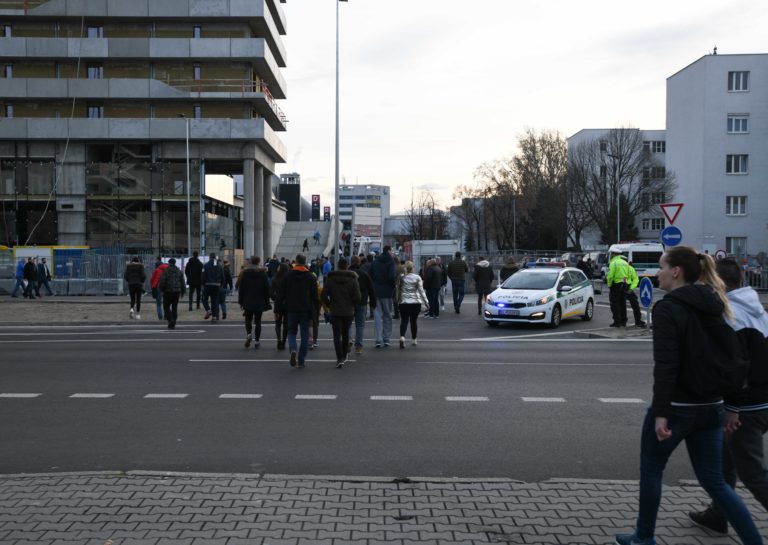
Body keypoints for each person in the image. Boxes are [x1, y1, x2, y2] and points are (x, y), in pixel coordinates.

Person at [615, 246, 763, 545]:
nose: (656, 273)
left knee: (652, 471)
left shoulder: (668, 308)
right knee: (716, 482)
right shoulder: (716, 302)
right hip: (712, 408)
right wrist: (731, 408)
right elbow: (731, 356)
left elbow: (667, 365)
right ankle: (754, 541)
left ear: (675, 271)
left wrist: (660, 412)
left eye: (660, 267)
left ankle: (644, 538)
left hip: (678, 406)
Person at [687, 258, 768, 536]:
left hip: (747, 406)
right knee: (725, 460)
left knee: (751, 471)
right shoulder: (757, 310)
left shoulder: (730, 316)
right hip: (760, 400)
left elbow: (737, 369)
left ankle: (719, 514)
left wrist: (733, 407)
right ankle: (718, 514)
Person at [277, 254, 320, 369]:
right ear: (305, 262)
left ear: (296, 261)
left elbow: (281, 293)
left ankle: (293, 349)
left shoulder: (288, 275)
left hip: (291, 308)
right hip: (306, 309)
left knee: (291, 332)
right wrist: (317, 309)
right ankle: (301, 360)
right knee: (305, 334)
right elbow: (315, 296)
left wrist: (277, 309)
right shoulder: (310, 276)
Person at [322, 258, 361, 368]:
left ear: (338, 266)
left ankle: (339, 358)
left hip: (335, 310)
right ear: (347, 266)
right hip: (348, 311)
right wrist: (352, 304)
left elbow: (324, 295)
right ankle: (344, 355)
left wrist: (330, 304)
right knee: (345, 334)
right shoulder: (353, 279)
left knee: (336, 335)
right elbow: (358, 297)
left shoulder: (331, 278)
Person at [238, 256, 271, 348]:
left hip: (248, 300)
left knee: (248, 319)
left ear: (251, 262)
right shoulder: (263, 274)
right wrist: (267, 301)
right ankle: (257, 341)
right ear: (259, 262)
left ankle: (249, 334)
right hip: (259, 301)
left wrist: (241, 301)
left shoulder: (245, 273)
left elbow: (242, 288)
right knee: (258, 321)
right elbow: (266, 289)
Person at [369, 245, 396, 348]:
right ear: (389, 251)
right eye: (392, 250)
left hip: (376, 291)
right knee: (388, 315)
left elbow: (369, 275)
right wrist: (393, 287)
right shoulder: (391, 262)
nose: (392, 253)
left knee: (377, 315)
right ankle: (386, 338)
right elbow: (391, 276)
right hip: (387, 292)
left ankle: (378, 339)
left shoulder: (375, 261)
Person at [397, 261, 429, 348]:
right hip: (415, 302)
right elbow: (421, 291)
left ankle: (402, 337)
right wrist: (427, 303)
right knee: (413, 321)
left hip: (403, 302)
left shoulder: (401, 278)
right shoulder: (417, 277)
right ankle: (414, 339)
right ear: (413, 268)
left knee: (404, 321)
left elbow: (398, 290)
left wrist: (398, 301)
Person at [348, 256, 376, 355]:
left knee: (347, 323)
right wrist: (373, 303)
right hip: (362, 301)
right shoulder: (364, 274)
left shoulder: (346, 274)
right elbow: (371, 289)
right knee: (360, 325)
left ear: (350, 262)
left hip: (348, 302)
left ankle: (348, 340)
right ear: (359, 263)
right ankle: (358, 346)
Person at [159, 257, 185, 329]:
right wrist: (183, 291)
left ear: (169, 263)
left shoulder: (166, 271)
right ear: (175, 263)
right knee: (174, 306)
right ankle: (173, 321)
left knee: (166, 306)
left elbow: (162, 281)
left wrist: (162, 289)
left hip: (168, 291)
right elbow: (182, 282)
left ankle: (171, 319)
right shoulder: (178, 271)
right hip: (177, 291)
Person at [607, 249, 631, 327]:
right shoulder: (625, 263)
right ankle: (624, 321)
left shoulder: (613, 263)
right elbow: (628, 274)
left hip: (616, 285)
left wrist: (609, 285)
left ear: (613, 254)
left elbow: (610, 276)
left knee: (614, 304)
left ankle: (617, 322)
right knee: (622, 303)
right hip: (624, 285)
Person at [270, 262, 289, 349]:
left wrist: (276, 298)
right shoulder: (289, 278)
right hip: (287, 303)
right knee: (286, 324)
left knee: (278, 323)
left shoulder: (275, 278)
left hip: (278, 303)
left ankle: (279, 340)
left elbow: (270, 293)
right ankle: (284, 341)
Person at [623, 257, 647, 328]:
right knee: (623, 306)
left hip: (627, 287)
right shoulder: (627, 268)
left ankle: (638, 321)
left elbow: (636, 279)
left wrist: (631, 288)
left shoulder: (630, 268)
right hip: (623, 288)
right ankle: (623, 322)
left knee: (635, 305)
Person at [202, 252, 223, 321]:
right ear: (215, 257)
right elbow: (223, 276)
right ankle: (214, 316)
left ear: (209, 257)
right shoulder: (220, 266)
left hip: (207, 285)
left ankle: (208, 310)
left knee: (204, 299)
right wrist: (221, 285)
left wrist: (203, 284)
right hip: (217, 285)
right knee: (215, 301)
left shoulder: (205, 265)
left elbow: (203, 276)